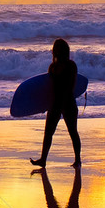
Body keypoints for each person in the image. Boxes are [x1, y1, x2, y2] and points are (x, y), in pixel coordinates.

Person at [30, 38, 81, 168]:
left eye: (57, 48)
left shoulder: (71, 65)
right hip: (55, 103)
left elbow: (70, 86)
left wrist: (61, 101)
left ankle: (78, 159)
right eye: (54, 48)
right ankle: (43, 159)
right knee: (48, 133)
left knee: (73, 132)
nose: (54, 50)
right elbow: (48, 87)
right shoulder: (52, 66)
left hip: (68, 102)